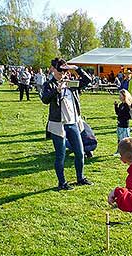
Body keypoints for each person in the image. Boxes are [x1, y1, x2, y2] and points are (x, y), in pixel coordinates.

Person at [41, 58, 93, 191]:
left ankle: (80, 178)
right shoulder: (49, 84)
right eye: (60, 71)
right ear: (54, 70)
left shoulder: (71, 84)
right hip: (58, 124)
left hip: (73, 123)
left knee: (80, 152)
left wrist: (76, 68)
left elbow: (88, 80)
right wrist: (57, 90)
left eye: (65, 71)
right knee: (61, 154)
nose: (62, 74)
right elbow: (45, 99)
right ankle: (62, 183)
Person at [114, 89, 132, 155]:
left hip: (124, 125)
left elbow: (129, 116)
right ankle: (120, 151)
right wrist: (116, 106)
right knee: (120, 139)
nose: (119, 97)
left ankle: (128, 151)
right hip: (120, 124)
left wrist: (122, 118)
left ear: (124, 96)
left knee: (125, 140)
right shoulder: (121, 105)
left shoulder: (127, 105)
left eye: (120, 95)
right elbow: (118, 113)